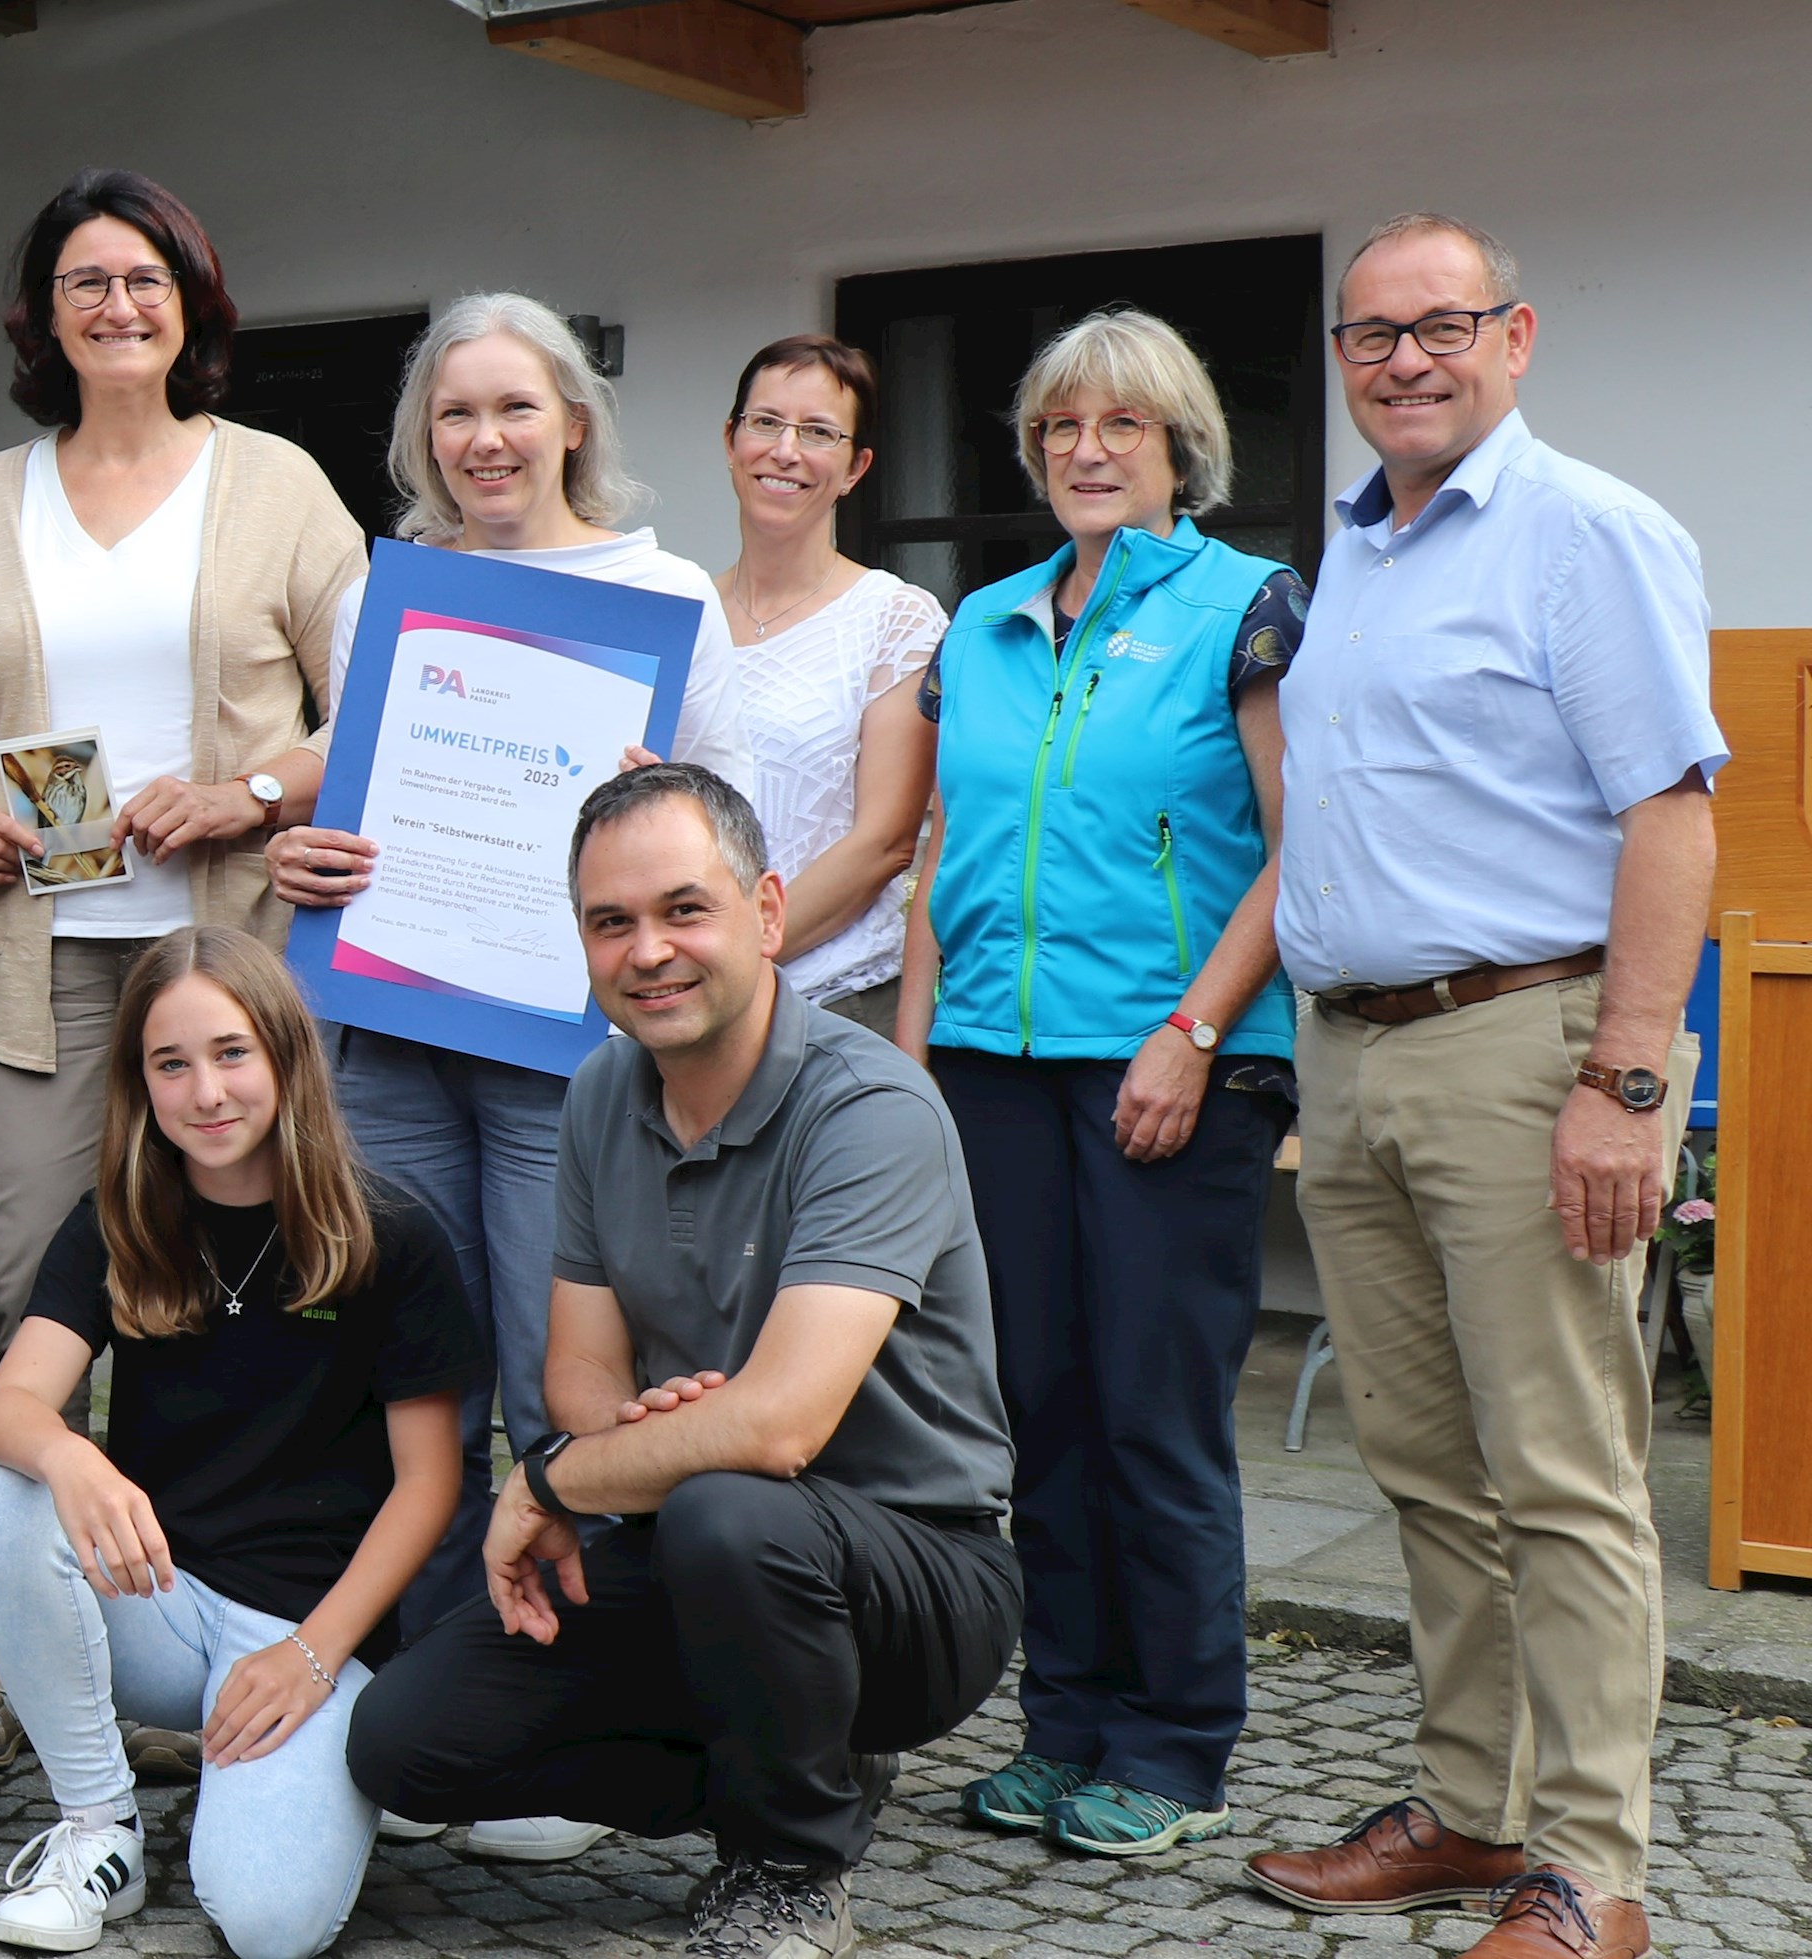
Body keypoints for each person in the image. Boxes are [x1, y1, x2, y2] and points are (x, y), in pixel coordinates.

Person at [1242, 214, 1718, 1959]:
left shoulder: (1583, 530)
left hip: (1526, 1048)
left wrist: (1623, 1074)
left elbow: (1670, 811)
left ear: (1514, 335)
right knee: (1427, 1461)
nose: (1405, 361)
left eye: (1440, 327)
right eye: (1370, 336)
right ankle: (1472, 1802)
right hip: (1355, 1054)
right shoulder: (1356, 553)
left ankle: (1593, 1869)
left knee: (1565, 1469)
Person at [346, 763, 1019, 1959]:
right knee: (406, 1741)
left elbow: (777, 1429)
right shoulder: (601, 1092)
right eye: (611, 923)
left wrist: (555, 1481)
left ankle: (791, 1868)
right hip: (698, 1541)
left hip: (916, 1575)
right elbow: (579, 1378)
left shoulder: (872, 1108)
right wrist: (631, 1428)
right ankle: (790, 1766)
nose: (647, 950)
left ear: (766, 912)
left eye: (682, 910)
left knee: (723, 1506)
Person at [257, 292, 745, 1861]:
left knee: (561, 1379)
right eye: (456, 414)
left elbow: (726, 827)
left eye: (515, 408)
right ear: (424, 437)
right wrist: (299, 849)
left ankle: (571, 1716)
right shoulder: (391, 595)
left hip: (568, 1052)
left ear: (575, 419)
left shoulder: (665, 593)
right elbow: (344, 782)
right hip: (395, 1027)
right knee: (408, 1364)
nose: (486, 440)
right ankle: (430, 1696)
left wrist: (654, 796)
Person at [0, 171, 357, 1781]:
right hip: (32, 964)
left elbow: (371, 703)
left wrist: (254, 795)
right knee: (31, 1290)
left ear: (190, 301)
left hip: (222, 960)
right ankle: (28, 1657)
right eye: (84, 281)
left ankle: (200, 1626)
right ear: (45, 315)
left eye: (144, 278)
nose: (116, 305)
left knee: (218, 1282)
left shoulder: (280, 486)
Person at [889, 306, 1306, 1862]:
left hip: (1172, 1067)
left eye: (1121, 424)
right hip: (993, 1069)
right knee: (1037, 1410)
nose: (1087, 449)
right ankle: (1063, 1721)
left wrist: (1194, 1031)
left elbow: (1295, 841)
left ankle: (1177, 1742)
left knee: (1153, 1411)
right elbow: (945, 859)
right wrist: (916, 1068)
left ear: (1179, 445)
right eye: (1063, 426)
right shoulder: (982, 624)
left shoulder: (1245, 607)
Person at [0, 926, 474, 1958]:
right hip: (159, 1602)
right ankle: (99, 1829)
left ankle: (307, 1779)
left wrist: (313, 1656)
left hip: (308, 1625)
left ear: (285, 1055)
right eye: (171, 1063)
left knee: (270, 1926)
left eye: (232, 1053)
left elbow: (429, 1486)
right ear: (140, 1083)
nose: (205, 1092)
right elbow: (3, 1408)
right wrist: (71, 1457)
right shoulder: (120, 1216)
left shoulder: (392, 1233)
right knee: (10, 1499)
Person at [710, 334, 946, 1039]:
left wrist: (732, 955)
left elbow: (885, 841)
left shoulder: (895, 618)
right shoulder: (681, 609)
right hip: (687, 1010)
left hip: (830, 1008)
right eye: (767, 422)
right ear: (731, 440)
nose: (786, 451)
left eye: (818, 432)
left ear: (855, 466)